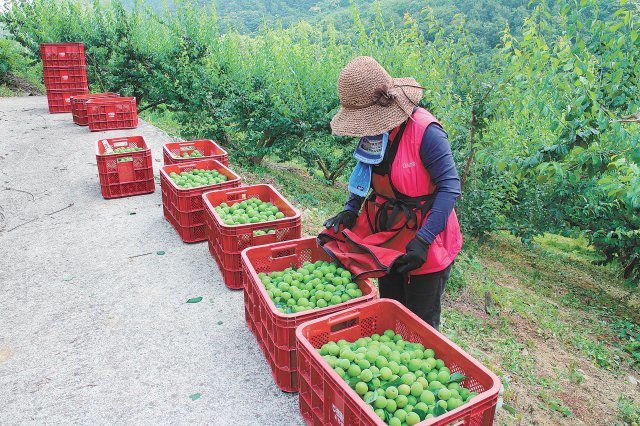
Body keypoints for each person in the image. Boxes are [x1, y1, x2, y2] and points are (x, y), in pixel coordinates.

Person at [318, 56, 462, 330]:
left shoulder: (425, 132)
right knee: (391, 311)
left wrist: (424, 239)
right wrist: (351, 208)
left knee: (420, 323)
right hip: (388, 235)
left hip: (427, 238)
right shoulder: (374, 132)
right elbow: (365, 169)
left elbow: (449, 187)